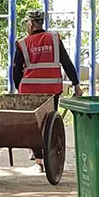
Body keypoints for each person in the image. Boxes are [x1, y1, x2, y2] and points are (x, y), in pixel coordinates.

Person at [12, 9, 83, 169]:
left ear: (31, 24)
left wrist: (19, 88)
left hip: (30, 92)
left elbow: (16, 70)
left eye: (27, 23)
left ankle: (39, 160)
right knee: (49, 123)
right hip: (52, 90)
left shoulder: (23, 43)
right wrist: (76, 85)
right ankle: (49, 154)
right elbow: (67, 63)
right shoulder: (54, 39)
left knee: (33, 125)